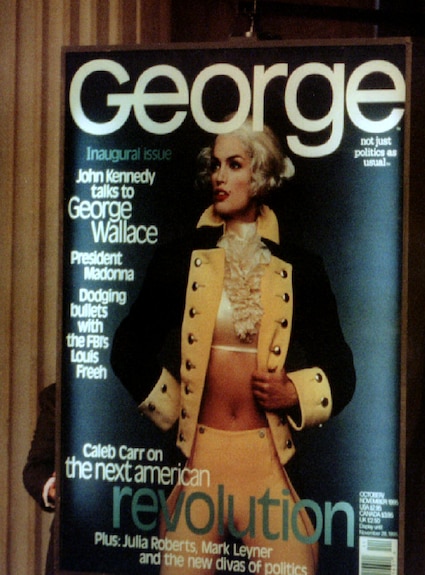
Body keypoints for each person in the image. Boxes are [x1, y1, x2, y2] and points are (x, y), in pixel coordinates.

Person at [111, 118, 356, 574]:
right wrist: (177, 408)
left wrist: (295, 393)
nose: (219, 177)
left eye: (234, 165)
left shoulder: (299, 266)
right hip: (199, 462)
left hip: (265, 462)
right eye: (215, 165)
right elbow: (127, 347)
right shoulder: (178, 257)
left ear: (260, 176)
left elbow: (341, 366)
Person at [23, 383, 58, 575]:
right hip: (73, 545)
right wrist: (53, 488)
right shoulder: (59, 395)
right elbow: (35, 470)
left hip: (148, 541)